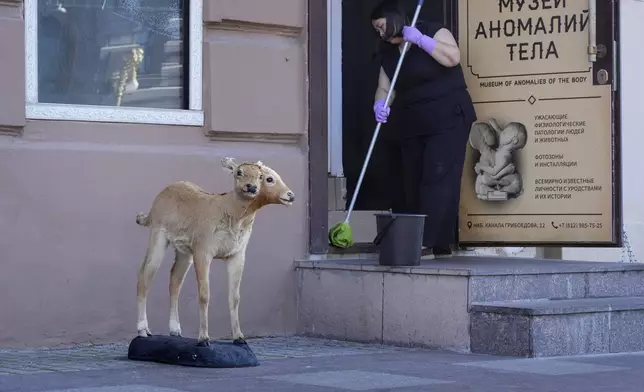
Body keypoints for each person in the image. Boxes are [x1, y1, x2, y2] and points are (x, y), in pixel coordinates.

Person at [370, 0, 477, 258]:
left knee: (437, 176)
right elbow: (386, 87)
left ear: (395, 18)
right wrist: (379, 105)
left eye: (382, 26)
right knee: (413, 180)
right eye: (376, 30)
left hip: (447, 117)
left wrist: (420, 40)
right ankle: (423, 238)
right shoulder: (387, 54)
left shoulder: (431, 29)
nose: (380, 33)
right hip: (413, 122)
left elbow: (452, 58)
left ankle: (431, 241)